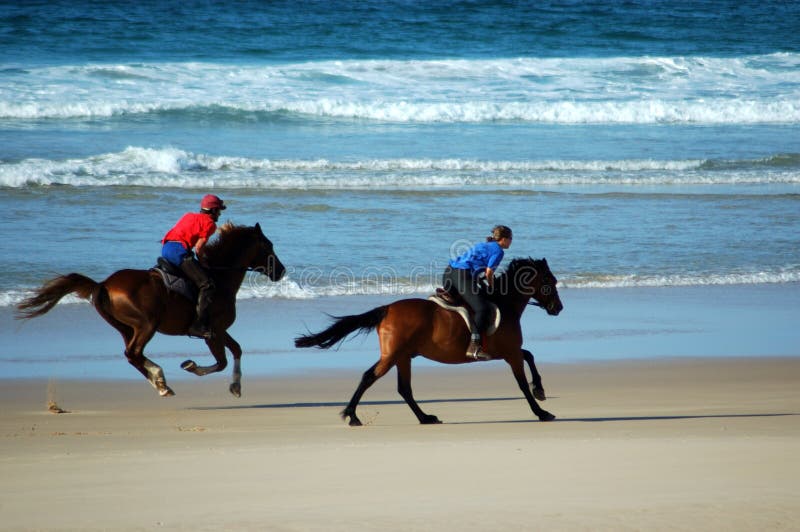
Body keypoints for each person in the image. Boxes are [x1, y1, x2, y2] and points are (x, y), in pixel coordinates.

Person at [442, 225, 513, 360]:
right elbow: (489, 273)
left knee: (471, 298)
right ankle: (474, 346)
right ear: (503, 239)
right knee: (482, 308)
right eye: (510, 238)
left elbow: (476, 268)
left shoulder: (485, 244)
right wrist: (492, 288)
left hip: (448, 274)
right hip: (461, 276)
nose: (511, 241)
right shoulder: (498, 251)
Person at [161, 194, 226, 339]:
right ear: (213, 210)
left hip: (166, 248)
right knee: (207, 285)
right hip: (179, 252)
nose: (219, 214)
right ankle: (197, 326)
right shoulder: (210, 223)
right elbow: (199, 248)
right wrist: (203, 262)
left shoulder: (189, 215)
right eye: (219, 211)